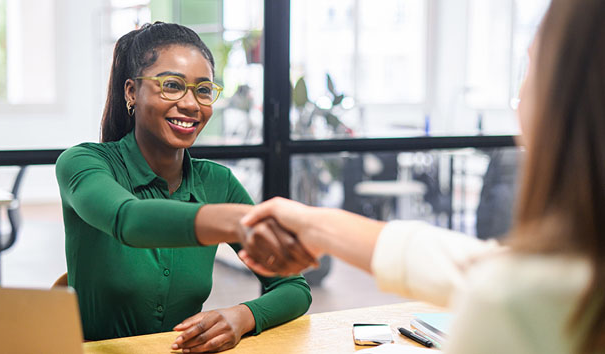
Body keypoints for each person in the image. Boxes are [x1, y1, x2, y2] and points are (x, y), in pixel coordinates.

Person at [238, 0, 605, 353]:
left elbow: (501, 283)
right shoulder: (554, 281)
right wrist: (318, 226)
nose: (521, 96)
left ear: (568, 99)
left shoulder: (513, 305)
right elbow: (478, 267)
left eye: (531, 69)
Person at [55, 22, 314, 352]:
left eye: (203, 90)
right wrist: (236, 221)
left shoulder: (218, 183)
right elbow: (129, 220)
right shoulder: (84, 164)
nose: (192, 104)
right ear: (131, 92)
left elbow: (293, 286)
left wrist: (244, 316)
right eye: (172, 86)